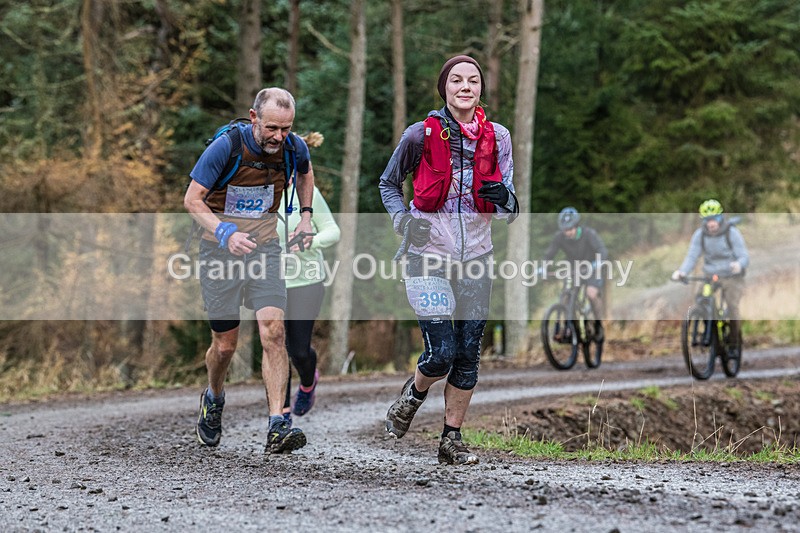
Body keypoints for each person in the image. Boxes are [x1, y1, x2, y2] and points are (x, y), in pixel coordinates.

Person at [379, 55, 518, 465]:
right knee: (441, 352)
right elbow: (389, 183)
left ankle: (451, 439)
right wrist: (403, 221)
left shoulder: (500, 137)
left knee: (469, 351)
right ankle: (414, 393)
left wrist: (503, 199)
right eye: (456, 80)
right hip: (428, 257)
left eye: (473, 80)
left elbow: (511, 208)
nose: (465, 86)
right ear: (444, 88)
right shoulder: (420, 135)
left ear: (481, 89)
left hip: (477, 256)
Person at [185, 87, 315, 454]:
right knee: (225, 346)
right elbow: (192, 199)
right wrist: (225, 232)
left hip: (265, 249)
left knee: (273, 331)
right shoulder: (225, 147)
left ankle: (277, 424)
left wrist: (305, 218)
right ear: (254, 117)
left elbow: (305, 174)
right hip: (218, 252)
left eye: (286, 129)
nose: (279, 137)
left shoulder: (294, 147)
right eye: (272, 128)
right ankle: (213, 396)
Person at [277, 182, 340, 426]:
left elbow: (332, 231)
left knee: (298, 350)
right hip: (270, 283)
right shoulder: (259, 191)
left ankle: (307, 382)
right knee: (275, 347)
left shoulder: (307, 193)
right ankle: (280, 415)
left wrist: (310, 241)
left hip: (307, 280)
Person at [671, 199, 749, 353]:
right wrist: (682, 272)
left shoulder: (731, 232)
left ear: (721, 218)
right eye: (707, 220)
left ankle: (734, 343)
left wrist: (738, 264)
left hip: (731, 276)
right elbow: (692, 257)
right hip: (710, 275)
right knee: (701, 299)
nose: (711, 224)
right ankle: (709, 329)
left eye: (714, 219)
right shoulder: (699, 235)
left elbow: (744, 256)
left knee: (732, 306)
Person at [543, 207, 608, 340]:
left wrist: (598, 263)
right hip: (574, 269)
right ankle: (568, 328)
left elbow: (602, 250)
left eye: (570, 229)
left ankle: (598, 324)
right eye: (565, 230)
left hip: (592, 267)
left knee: (591, 293)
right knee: (566, 296)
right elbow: (549, 254)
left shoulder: (589, 234)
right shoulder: (559, 237)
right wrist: (543, 268)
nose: (568, 233)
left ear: (576, 225)